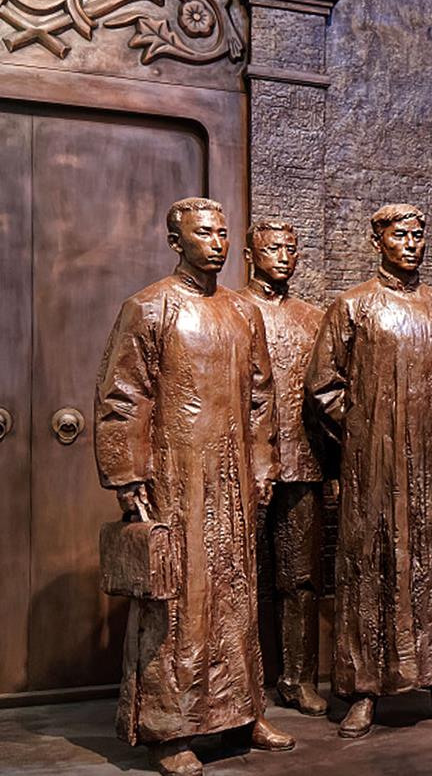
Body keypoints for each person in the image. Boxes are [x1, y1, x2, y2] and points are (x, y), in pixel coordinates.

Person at [95, 197, 294, 776]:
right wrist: (128, 476)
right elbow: (123, 396)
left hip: (233, 478)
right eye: (204, 233)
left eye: (223, 233)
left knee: (237, 596)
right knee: (178, 604)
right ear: (175, 241)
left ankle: (242, 712)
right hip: (175, 480)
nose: (217, 243)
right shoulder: (148, 308)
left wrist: (263, 465)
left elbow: (261, 397)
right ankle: (170, 727)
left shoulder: (241, 312)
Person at [305, 203, 432, 738]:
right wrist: (363, 432)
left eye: (418, 235)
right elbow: (323, 385)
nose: (411, 243)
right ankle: (364, 689)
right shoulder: (353, 307)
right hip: (372, 466)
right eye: (400, 235)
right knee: (370, 565)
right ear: (378, 241)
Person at [238, 219, 329, 715]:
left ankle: (299, 678)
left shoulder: (313, 319)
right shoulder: (233, 311)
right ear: (250, 255)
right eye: (273, 248)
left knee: (301, 578)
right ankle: (243, 683)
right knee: (242, 578)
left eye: (291, 249)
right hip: (243, 467)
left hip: (303, 462)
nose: (283, 257)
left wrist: (333, 464)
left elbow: (330, 394)